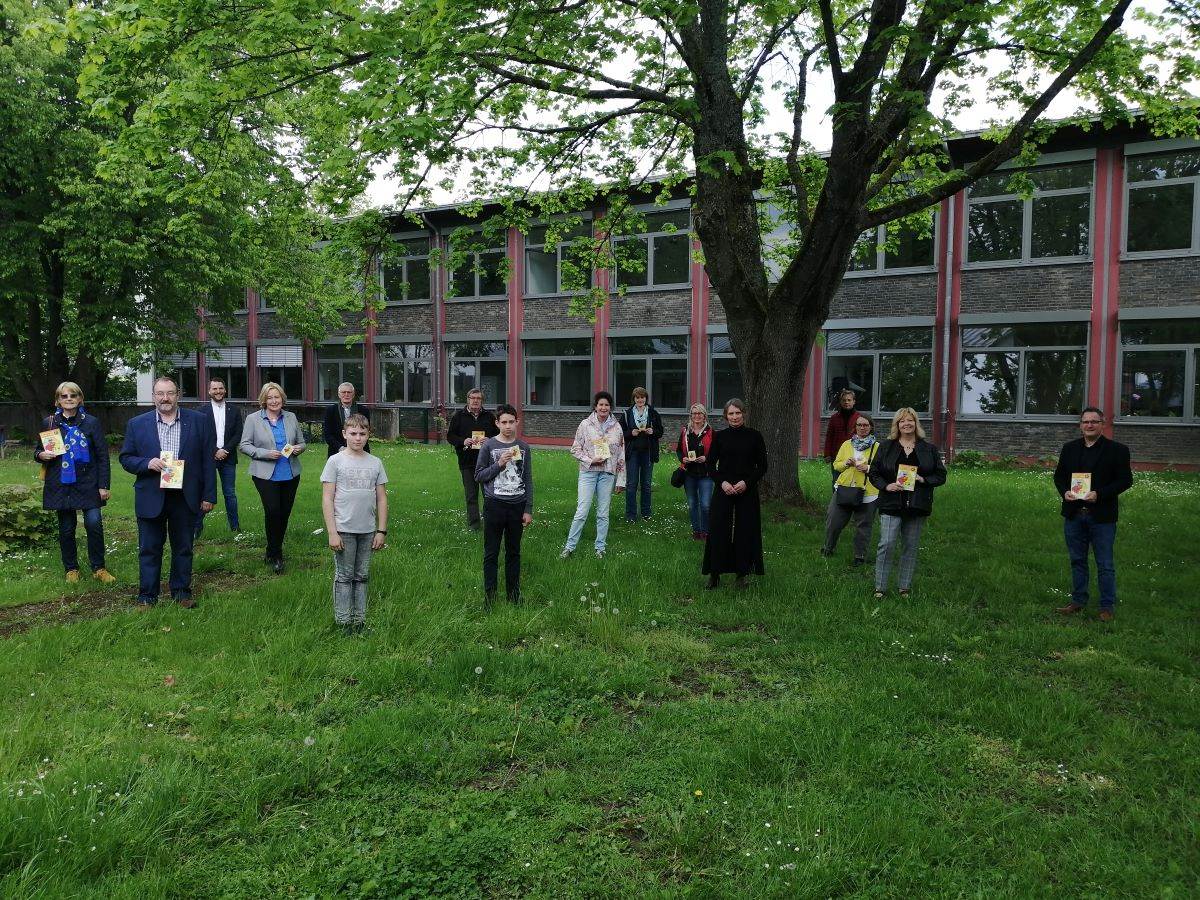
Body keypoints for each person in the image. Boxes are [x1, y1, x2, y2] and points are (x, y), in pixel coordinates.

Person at [119, 375, 215, 609]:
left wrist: (209, 495)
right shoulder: (137, 424)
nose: (165, 398)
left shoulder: (199, 421)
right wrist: (146, 463)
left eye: (170, 393)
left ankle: (181, 592)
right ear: (153, 397)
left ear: (178, 395)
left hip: (186, 495)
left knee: (183, 547)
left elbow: (207, 462)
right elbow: (126, 458)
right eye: (160, 394)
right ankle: (147, 597)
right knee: (149, 548)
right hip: (151, 494)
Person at [1053, 407, 1133, 622]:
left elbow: (1125, 480)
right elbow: (1059, 477)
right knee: (1077, 560)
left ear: (1102, 424)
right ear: (1080, 425)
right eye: (1086, 422)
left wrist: (1100, 494)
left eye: (1094, 422)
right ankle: (1078, 601)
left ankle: (1106, 606)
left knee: (1105, 563)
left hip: (1102, 516)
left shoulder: (1118, 450)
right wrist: (1065, 492)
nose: (1089, 425)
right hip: (1074, 514)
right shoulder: (1069, 449)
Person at [35, 381, 115, 584]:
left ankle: (99, 568)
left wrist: (104, 485)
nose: (69, 399)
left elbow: (102, 456)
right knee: (67, 527)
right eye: (64, 396)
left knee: (94, 523)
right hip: (61, 482)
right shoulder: (49, 423)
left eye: (73, 395)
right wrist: (41, 454)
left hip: (88, 482)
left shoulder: (91, 422)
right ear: (58, 400)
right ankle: (71, 568)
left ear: (80, 399)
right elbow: (37, 451)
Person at [868, 407, 947, 599]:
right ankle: (880, 588)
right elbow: (874, 473)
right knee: (886, 544)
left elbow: (941, 475)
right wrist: (886, 486)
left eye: (910, 420)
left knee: (910, 546)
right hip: (891, 503)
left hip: (917, 505)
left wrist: (923, 480)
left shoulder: (929, 449)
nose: (906, 424)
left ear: (916, 423)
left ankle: (904, 587)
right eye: (902, 421)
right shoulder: (886, 446)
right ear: (897, 424)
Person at [320, 414, 388, 635]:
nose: (358, 438)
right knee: (344, 577)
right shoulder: (335, 461)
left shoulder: (375, 462)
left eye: (362, 434)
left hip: (367, 530)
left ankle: (359, 621)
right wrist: (332, 532)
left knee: (362, 576)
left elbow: (381, 498)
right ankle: (343, 622)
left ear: (368, 435)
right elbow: (327, 498)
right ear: (344, 434)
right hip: (343, 530)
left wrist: (381, 530)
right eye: (353, 434)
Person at [239, 381, 307, 574]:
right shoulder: (253, 419)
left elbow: (302, 442)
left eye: (277, 397)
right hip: (265, 474)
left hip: (290, 472)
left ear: (282, 398)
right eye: (270, 397)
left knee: (284, 513)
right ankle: (276, 554)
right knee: (273, 511)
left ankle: (273, 550)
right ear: (264, 400)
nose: (274, 401)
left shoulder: (291, 417)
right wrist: (264, 453)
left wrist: (298, 449)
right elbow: (244, 445)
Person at [703, 399, 768, 589]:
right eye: (731, 414)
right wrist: (721, 482)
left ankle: (742, 574)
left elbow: (762, 466)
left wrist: (746, 483)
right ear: (726, 416)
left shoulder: (755, 436)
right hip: (724, 488)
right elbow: (709, 465)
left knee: (745, 529)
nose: (734, 417)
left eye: (737, 413)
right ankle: (714, 574)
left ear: (743, 414)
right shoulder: (720, 437)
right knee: (718, 529)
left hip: (745, 489)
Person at [474, 404, 534, 606]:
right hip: (494, 505)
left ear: (517, 422)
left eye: (511, 422)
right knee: (491, 553)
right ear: (497, 423)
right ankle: (490, 597)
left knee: (513, 552)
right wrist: (499, 464)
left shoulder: (523, 447)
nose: (508, 426)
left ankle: (513, 595)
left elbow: (528, 479)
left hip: (517, 506)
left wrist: (528, 509)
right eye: (504, 422)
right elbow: (479, 475)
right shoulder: (489, 446)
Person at [561, 391, 625, 559]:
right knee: (582, 511)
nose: (603, 407)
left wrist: (621, 480)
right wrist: (590, 460)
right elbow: (575, 449)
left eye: (606, 405)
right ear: (595, 407)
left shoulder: (617, 427)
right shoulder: (585, 425)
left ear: (610, 407)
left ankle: (600, 548)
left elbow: (621, 455)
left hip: (607, 474)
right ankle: (569, 547)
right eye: (600, 404)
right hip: (588, 473)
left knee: (603, 513)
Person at [821, 414, 879, 565]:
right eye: (859, 425)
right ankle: (828, 547)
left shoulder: (878, 447)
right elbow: (836, 465)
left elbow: (883, 469)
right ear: (855, 427)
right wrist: (846, 463)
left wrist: (868, 468)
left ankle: (860, 556)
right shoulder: (847, 444)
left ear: (871, 427)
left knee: (863, 526)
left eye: (866, 425)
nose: (862, 428)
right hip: (844, 489)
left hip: (868, 491)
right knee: (833, 521)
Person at [195, 376, 243, 538]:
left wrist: (226, 450)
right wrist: (215, 450)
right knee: (204, 492)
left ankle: (235, 527)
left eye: (220, 388)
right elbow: (200, 436)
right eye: (214, 388)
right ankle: (197, 528)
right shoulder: (201, 412)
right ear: (209, 391)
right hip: (208, 458)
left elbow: (238, 434)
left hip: (228, 458)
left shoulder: (234, 410)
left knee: (230, 493)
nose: (218, 391)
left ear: (225, 390)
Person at [446, 388, 498, 530]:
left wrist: (490, 439)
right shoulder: (459, 416)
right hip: (467, 462)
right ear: (468, 399)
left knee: (489, 494)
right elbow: (450, 436)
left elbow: (499, 435)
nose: (475, 400)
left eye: (478, 398)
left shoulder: (489, 417)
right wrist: (463, 441)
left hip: (487, 463)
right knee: (471, 495)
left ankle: (490, 523)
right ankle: (474, 525)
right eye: (472, 398)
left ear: (482, 401)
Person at [621, 387, 663, 522]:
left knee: (646, 484)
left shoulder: (653, 413)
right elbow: (620, 433)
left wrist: (653, 431)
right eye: (637, 397)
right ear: (634, 399)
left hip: (648, 453)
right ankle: (631, 515)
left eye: (642, 397)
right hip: (632, 453)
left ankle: (646, 513)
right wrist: (630, 433)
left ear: (646, 398)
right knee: (632, 484)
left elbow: (660, 431)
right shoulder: (627, 414)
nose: (640, 400)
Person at [676, 403, 714, 540]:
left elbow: (717, 453)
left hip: (706, 474)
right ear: (691, 416)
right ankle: (696, 531)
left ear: (704, 416)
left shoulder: (710, 432)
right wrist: (683, 458)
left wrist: (707, 458)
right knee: (692, 505)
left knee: (706, 505)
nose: (697, 416)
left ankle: (706, 532)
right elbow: (679, 450)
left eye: (700, 413)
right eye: (694, 413)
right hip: (689, 474)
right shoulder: (685, 431)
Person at [823, 389, 865, 481]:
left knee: (853, 480)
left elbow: (864, 436)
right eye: (844, 400)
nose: (846, 402)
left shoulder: (860, 418)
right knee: (836, 480)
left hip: (854, 454)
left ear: (854, 402)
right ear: (840, 402)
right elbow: (829, 436)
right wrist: (827, 454)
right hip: (837, 454)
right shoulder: (834, 418)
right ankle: (836, 495)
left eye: (849, 400)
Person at [322, 382, 371, 456]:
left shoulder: (363, 410)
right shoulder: (330, 410)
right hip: (336, 451)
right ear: (339, 395)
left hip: (360, 451)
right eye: (343, 392)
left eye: (349, 392)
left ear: (353, 394)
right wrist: (341, 448)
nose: (346, 395)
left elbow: (366, 431)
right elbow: (327, 434)